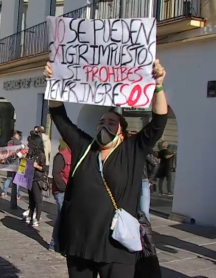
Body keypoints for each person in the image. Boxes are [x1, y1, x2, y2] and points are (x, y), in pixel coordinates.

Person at [44, 59, 168, 278]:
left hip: (116, 246)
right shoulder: (84, 147)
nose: (104, 125)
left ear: (121, 131)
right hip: (80, 243)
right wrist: (53, 83)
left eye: (111, 122)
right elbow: (60, 117)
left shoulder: (132, 150)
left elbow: (158, 121)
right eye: (102, 121)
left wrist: (158, 85)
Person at [49, 139, 71, 251]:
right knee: (65, 216)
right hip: (61, 191)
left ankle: (55, 243)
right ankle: (56, 244)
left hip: (70, 191)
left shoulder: (76, 156)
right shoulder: (61, 156)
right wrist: (64, 188)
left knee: (62, 217)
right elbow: (56, 174)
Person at [25, 131, 46, 227]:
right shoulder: (30, 153)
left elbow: (44, 168)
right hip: (30, 177)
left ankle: (37, 218)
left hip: (37, 179)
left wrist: (37, 166)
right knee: (31, 199)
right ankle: (30, 215)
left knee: (38, 199)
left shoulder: (41, 154)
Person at [2, 130, 23, 198]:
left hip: (9, 162)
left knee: (9, 178)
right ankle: (17, 194)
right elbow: (22, 153)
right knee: (17, 179)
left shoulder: (9, 142)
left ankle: (4, 192)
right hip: (17, 162)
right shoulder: (20, 143)